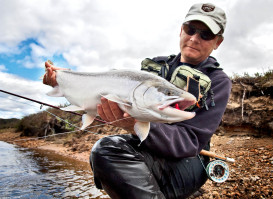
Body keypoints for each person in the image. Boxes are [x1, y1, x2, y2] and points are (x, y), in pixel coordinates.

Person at [43, 3, 231, 199]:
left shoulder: (218, 81)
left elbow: (190, 141)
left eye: (206, 34)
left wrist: (134, 124)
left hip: (189, 160)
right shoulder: (157, 65)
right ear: (181, 30)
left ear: (218, 42)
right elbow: (102, 84)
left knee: (109, 154)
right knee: (104, 150)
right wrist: (64, 79)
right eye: (190, 29)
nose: (194, 38)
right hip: (147, 150)